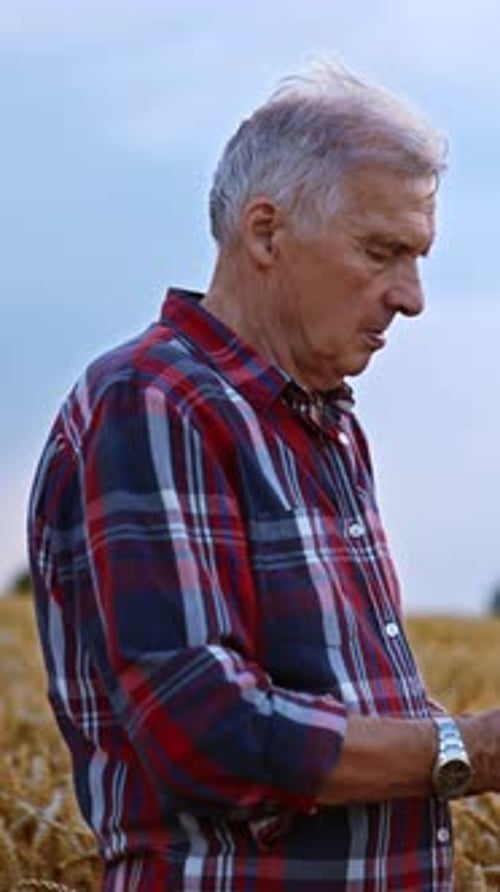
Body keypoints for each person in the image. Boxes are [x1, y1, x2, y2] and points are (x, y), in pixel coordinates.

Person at [27, 60, 500, 891]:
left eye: (419, 257)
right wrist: (465, 749)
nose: (414, 297)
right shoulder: (156, 400)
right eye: (384, 251)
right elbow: (206, 730)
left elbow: (345, 704)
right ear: (266, 233)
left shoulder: (324, 424)